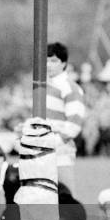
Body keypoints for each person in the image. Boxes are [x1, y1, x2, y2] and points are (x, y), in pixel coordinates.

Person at [46, 42, 86, 195]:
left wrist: (53, 143)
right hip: (43, 152)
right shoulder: (44, 87)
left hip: (61, 153)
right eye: (47, 60)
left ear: (64, 63)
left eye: (54, 60)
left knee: (66, 202)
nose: (49, 64)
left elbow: (74, 125)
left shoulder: (70, 88)